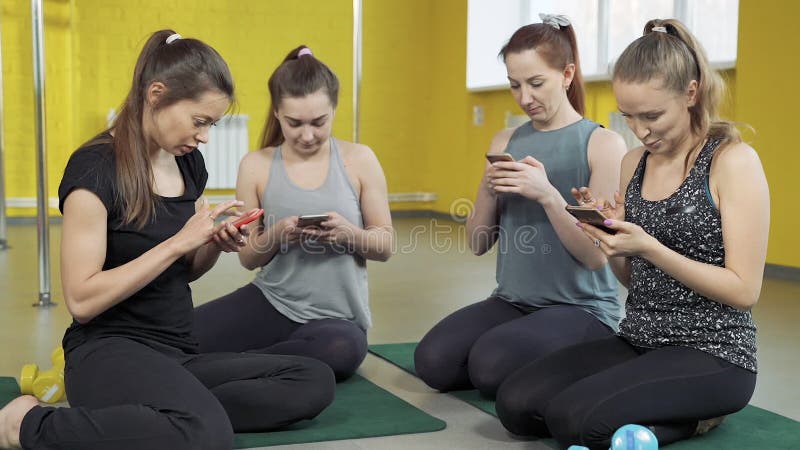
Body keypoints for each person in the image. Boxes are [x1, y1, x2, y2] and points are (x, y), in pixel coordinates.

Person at [0, 30, 335, 450]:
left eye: (212, 124)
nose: (205, 136)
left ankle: (158, 417)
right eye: (200, 121)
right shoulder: (94, 169)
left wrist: (213, 241)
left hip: (176, 352)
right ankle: (24, 425)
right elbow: (82, 300)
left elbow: (186, 272)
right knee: (206, 434)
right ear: (156, 95)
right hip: (108, 350)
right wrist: (179, 241)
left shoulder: (189, 164)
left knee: (312, 379)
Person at [495, 18, 769, 449]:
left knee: (573, 420)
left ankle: (698, 418)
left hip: (715, 352)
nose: (640, 130)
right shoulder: (634, 163)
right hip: (639, 338)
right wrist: (609, 238)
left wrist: (651, 247)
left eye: (652, 115)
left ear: (691, 94)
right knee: (515, 404)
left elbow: (743, 290)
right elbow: (629, 277)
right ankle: (669, 411)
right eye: (628, 117)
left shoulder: (732, 161)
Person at [413, 14, 628, 398]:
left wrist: (547, 194)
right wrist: (489, 189)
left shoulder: (603, 144)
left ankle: (589, 356)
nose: (525, 98)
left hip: (582, 309)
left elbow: (596, 258)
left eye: (536, 83)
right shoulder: (505, 140)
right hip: (512, 302)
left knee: (489, 365)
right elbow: (477, 243)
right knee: (433, 361)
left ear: (567, 74)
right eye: (514, 85)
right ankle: (533, 355)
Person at [193, 45, 393, 382]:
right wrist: (277, 234)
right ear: (276, 114)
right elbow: (249, 259)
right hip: (271, 302)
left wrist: (348, 234)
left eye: (319, 122)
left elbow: (385, 246)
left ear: (334, 109)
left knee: (342, 350)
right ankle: (257, 364)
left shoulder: (360, 159)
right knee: (180, 335)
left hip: (337, 322)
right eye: (294, 123)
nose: (308, 135)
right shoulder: (255, 166)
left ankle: (229, 366)